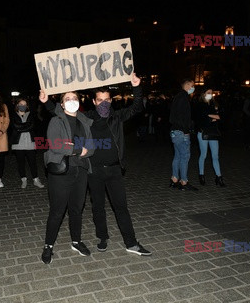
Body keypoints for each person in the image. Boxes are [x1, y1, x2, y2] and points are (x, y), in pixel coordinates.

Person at [40, 73, 151, 256]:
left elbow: (137, 107)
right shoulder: (87, 117)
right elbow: (63, 113)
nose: (104, 103)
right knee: (97, 206)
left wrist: (137, 88)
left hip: (115, 169)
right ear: (94, 101)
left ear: (111, 100)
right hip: (93, 171)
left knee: (121, 206)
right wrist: (46, 102)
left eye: (107, 100)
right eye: (100, 100)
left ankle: (131, 243)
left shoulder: (117, 116)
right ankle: (102, 238)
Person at [39, 91, 95, 264]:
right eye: (67, 99)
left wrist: (82, 149)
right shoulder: (56, 120)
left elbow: (91, 146)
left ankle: (76, 242)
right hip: (62, 172)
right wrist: (78, 149)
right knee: (57, 211)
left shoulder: (84, 121)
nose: (72, 101)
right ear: (61, 104)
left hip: (81, 171)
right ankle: (48, 246)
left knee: (77, 209)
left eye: (75, 98)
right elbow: (55, 144)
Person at [169, 79, 198, 191]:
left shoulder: (177, 96)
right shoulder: (184, 97)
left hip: (175, 131)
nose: (193, 88)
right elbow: (182, 116)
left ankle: (174, 179)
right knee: (185, 157)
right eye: (192, 86)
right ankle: (184, 182)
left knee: (177, 156)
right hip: (181, 132)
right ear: (186, 85)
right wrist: (186, 130)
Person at [10, 98, 44, 188]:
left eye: (24, 104)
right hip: (18, 143)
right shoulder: (13, 115)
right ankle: (23, 180)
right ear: (17, 105)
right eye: (21, 104)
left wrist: (20, 127)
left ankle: (36, 179)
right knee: (21, 163)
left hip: (30, 142)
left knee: (33, 162)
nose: (23, 106)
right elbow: (14, 126)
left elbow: (31, 126)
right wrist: (25, 126)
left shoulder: (31, 115)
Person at [195, 89, 225, 187]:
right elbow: (200, 119)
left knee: (215, 156)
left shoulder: (214, 104)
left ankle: (219, 177)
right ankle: (201, 175)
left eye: (211, 93)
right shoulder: (199, 105)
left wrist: (209, 116)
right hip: (203, 132)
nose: (210, 94)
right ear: (203, 94)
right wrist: (211, 117)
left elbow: (220, 117)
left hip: (213, 132)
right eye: (208, 92)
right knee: (203, 154)